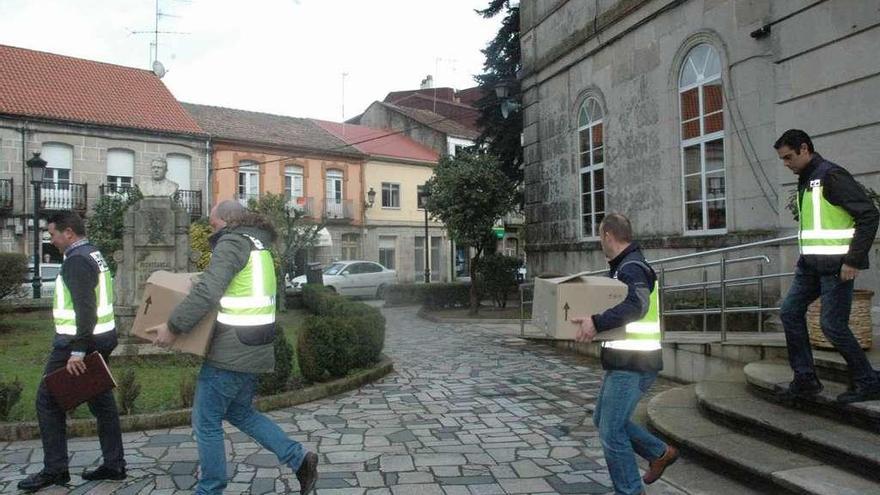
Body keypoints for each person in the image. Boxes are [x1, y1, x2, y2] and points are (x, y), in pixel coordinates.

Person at [151, 200, 318, 495]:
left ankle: (210, 489)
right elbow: (235, 283)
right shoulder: (259, 246)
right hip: (256, 344)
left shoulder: (232, 243)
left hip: (232, 349)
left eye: (214, 225)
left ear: (228, 221)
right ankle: (299, 459)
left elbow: (208, 292)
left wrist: (173, 326)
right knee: (241, 412)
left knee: (205, 420)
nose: (212, 231)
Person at [18, 212, 126, 492]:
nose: (50, 240)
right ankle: (114, 464)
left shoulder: (77, 261)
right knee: (101, 401)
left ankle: (55, 470)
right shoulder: (93, 254)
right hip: (101, 338)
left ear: (68, 233)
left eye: (52, 234)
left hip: (75, 344)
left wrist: (77, 351)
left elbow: (85, 309)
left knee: (47, 401)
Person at [570, 213, 677, 495]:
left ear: (608, 235)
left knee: (611, 430)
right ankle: (659, 452)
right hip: (624, 360)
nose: (599, 242)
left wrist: (597, 322)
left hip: (634, 362)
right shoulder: (624, 266)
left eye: (599, 236)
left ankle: (630, 491)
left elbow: (637, 305)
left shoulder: (632, 267)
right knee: (602, 420)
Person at [775, 129, 880, 403]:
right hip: (809, 265)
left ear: (804, 149)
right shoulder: (807, 178)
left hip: (837, 266)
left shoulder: (831, 176)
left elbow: (869, 215)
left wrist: (853, 260)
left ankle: (868, 381)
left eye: (788, 158)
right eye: (783, 159)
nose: (786, 164)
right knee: (789, 312)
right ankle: (806, 379)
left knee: (832, 325)